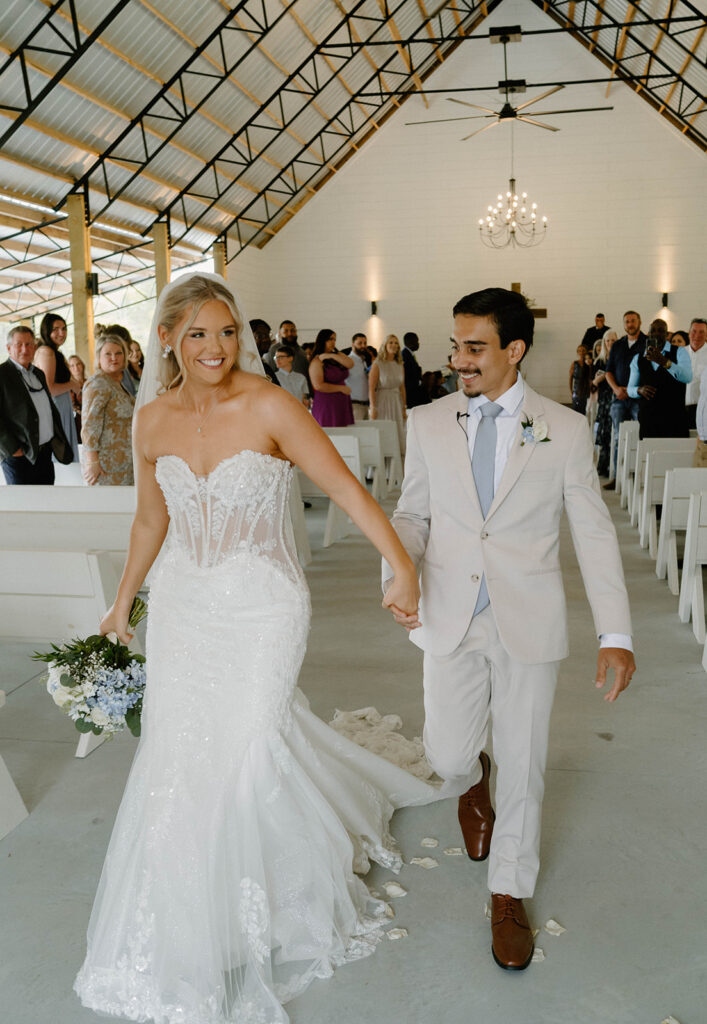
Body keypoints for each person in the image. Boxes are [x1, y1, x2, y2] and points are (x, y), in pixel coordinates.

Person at [74, 272, 437, 1024]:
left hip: (263, 606)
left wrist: (399, 562)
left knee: (248, 745)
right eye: (199, 332)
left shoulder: (270, 404)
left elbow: (343, 488)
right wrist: (121, 604)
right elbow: (150, 522)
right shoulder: (151, 422)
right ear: (168, 337)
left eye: (228, 331)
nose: (216, 347)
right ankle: (185, 911)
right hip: (184, 606)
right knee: (179, 756)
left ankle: (268, 895)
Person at [383, 286, 634, 972]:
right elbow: (412, 515)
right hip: (446, 612)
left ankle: (506, 895)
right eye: (455, 345)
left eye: (474, 347)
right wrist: (396, 573)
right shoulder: (429, 421)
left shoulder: (564, 428)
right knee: (448, 751)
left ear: (513, 349)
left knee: (525, 764)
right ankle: (471, 780)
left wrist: (616, 634)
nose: (458, 359)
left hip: (527, 619)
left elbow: (592, 533)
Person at [0, 326, 72, 484]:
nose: (25, 349)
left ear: (34, 347)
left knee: (46, 503)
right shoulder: (2, 374)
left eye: (29, 344)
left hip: (44, 453)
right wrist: (13, 450)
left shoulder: (38, 374)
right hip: (20, 456)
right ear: (8, 347)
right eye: (19, 344)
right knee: (24, 505)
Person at [81, 333, 136, 485]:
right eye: (108, 354)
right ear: (99, 358)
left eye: (119, 353)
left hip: (123, 464)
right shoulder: (98, 383)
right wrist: (93, 462)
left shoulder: (116, 382)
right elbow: (89, 426)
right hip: (105, 467)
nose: (114, 358)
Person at [602, 310, 647, 489]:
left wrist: (632, 390)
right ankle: (618, 477)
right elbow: (608, 371)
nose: (630, 324)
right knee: (618, 438)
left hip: (638, 398)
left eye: (633, 321)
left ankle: (638, 477)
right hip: (619, 397)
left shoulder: (647, 343)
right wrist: (616, 389)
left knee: (639, 437)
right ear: (624, 324)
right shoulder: (618, 345)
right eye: (627, 321)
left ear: (640, 322)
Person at [627, 318, 691, 439]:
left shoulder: (679, 352)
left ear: (667, 335)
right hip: (648, 419)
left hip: (674, 418)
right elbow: (630, 388)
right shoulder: (638, 358)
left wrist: (665, 362)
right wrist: (639, 390)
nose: (656, 334)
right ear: (648, 334)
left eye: (661, 331)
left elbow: (688, 377)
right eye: (653, 331)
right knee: (648, 457)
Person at [34, 312, 80, 462]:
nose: (61, 333)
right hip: (56, 407)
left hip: (61, 405)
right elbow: (50, 389)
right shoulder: (47, 352)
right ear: (46, 331)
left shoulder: (53, 352)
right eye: (56, 329)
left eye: (64, 328)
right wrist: (73, 385)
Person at [369, 335, 407, 453]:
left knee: (398, 431)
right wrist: (373, 407)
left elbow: (402, 387)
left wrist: (403, 407)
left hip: (396, 401)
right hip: (383, 401)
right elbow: (371, 387)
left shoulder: (399, 364)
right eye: (390, 342)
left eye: (396, 343)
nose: (394, 345)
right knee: (385, 431)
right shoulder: (377, 364)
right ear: (385, 345)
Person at [309, 329, 354, 427]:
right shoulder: (317, 361)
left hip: (342, 400)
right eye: (330, 339)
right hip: (327, 401)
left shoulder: (337, 355)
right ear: (323, 340)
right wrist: (341, 388)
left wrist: (331, 356)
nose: (333, 342)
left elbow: (350, 364)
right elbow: (318, 385)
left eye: (334, 339)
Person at [593, 330, 616, 477]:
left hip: (616, 398)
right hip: (604, 399)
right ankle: (603, 466)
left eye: (613, 341)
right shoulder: (600, 362)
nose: (610, 344)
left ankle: (612, 466)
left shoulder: (619, 359)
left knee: (612, 433)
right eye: (607, 341)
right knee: (604, 432)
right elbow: (593, 383)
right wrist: (601, 379)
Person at [684, 318, 707, 430]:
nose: (697, 335)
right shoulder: (680, 353)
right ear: (689, 333)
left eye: (701, 332)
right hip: (682, 409)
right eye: (694, 331)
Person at [344, 332, 371, 420]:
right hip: (354, 405)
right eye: (360, 343)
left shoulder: (364, 360)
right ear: (353, 344)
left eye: (365, 343)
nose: (363, 346)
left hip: (365, 405)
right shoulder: (348, 361)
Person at [402, 332, 423, 408]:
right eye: (417, 341)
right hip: (410, 393)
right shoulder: (405, 355)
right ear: (411, 342)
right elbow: (407, 376)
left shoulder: (410, 354)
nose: (418, 344)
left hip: (414, 392)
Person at [569, 344, 591, 414]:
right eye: (579, 351)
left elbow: (590, 377)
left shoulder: (589, 363)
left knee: (585, 409)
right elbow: (570, 378)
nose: (581, 352)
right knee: (575, 409)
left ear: (586, 352)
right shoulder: (574, 363)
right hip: (576, 390)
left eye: (583, 350)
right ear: (577, 352)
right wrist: (571, 391)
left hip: (586, 390)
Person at [68, 354, 86, 435]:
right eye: (72, 365)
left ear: (82, 365)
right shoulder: (68, 386)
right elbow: (72, 406)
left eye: (78, 364)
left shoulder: (90, 382)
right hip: (78, 422)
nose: (76, 367)